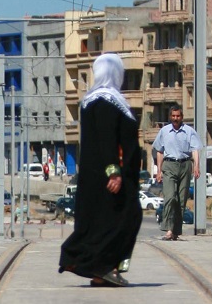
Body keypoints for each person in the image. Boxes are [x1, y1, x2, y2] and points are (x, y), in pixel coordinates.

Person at [59, 53, 142, 287]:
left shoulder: (91, 100)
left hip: (94, 176)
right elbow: (107, 139)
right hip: (112, 178)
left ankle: (100, 271)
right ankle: (99, 266)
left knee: (100, 223)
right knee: (124, 219)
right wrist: (114, 171)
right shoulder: (107, 101)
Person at [152, 105, 201, 241]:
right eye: (173, 116)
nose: (175, 118)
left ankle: (175, 231)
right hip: (169, 165)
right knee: (170, 197)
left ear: (182, 117)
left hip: (185, 165)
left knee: (181, 199)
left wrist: (197, 166)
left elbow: (195, 149)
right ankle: (168, 229)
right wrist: (159, 171)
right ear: (170, 117)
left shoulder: (189, 131)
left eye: (178, 116)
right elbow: (160, 151)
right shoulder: (164, 131)